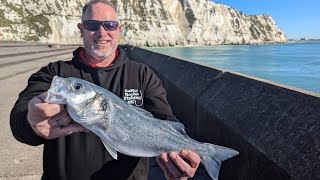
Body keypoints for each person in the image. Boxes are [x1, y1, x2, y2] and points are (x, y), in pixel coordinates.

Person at [10, 0, 201, 180]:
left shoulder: (142, 74)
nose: (102, 33)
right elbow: (20, 118)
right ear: (81, 29)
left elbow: (167, 121)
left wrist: (183, 157)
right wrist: (30, 120)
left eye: (109, 25)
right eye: (92, 25)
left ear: (119, 30)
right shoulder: (55, 74)